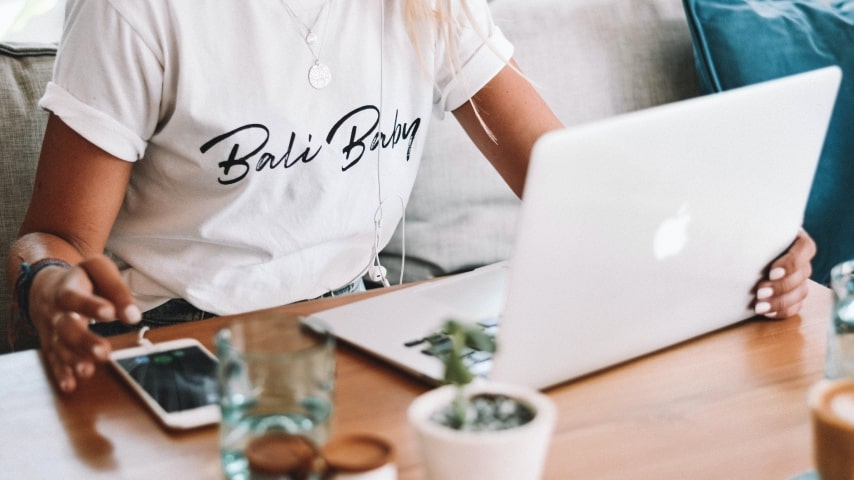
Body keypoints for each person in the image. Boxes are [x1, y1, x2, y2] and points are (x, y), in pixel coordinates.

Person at [6, 0, 816, 394]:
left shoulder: (428, 3)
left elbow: (574, 181)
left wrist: (741, 236)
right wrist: (50, 286)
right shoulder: (138, 10)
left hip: (362, 336)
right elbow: (53, 237)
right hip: (189, 352)